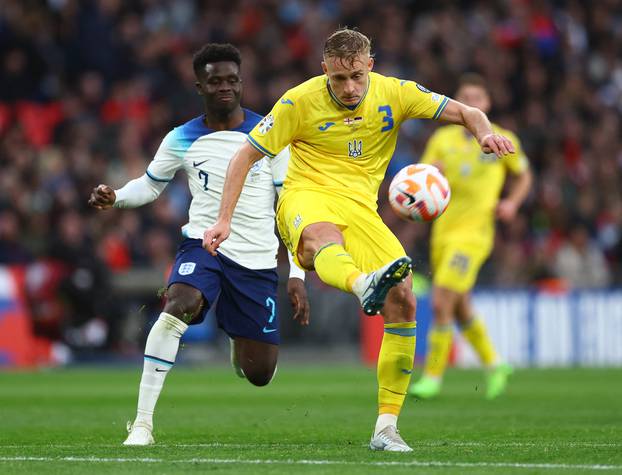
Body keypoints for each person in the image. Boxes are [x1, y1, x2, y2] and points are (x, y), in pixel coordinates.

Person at [203, 29, 514, 452]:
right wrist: (224, 219)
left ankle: (386, 428)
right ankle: (361, 284)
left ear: (370, 66)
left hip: (362, 209)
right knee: (320, 239)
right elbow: (246, 155)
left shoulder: (396, 92)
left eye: (356, 77)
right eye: (338, 79)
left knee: (404, 299)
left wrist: (483, 135)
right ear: (324, 71)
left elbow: (468, 112)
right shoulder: (298, 102)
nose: (348, 88)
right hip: (307, 194)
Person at [88, 43, 309, 446]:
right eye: (215, 81)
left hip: (256, 261)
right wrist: (116, 196)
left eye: (232, 80)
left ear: (242, 83)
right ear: (200, 86)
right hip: (203, 247)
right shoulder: (181, 137)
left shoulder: (272, 135)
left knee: (260, 373)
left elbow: (289, 208)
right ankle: (142, 425)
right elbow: (149, 186)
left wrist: (296, 273)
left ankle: (238, 339)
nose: (225, 88)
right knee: (178, 306)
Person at [409, 73, 532, 400]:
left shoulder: (503, 139)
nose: (472, 104)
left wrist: (512, 203)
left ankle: (432, 377)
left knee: (440, 301)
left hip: (474, 235)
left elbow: (523, 175)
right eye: (466, 98)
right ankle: (496, 365)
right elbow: (424, 178)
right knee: (459, 307)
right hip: (443, 233)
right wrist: (432, 174)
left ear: (487, 104)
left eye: (478, 98)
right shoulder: (443, 140)